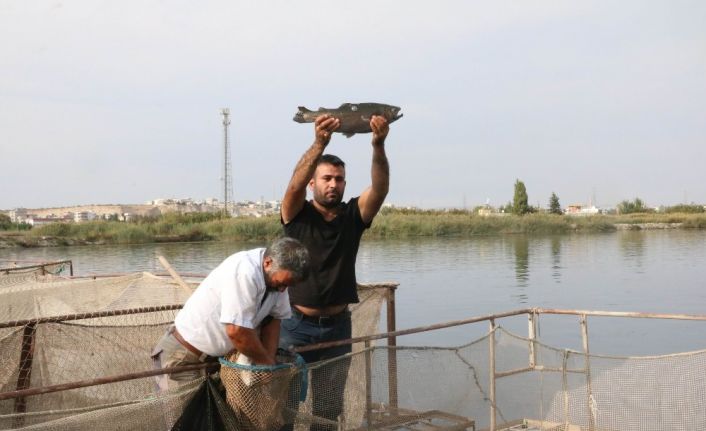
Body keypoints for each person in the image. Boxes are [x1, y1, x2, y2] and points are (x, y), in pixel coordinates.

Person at [279, 114, 391, 429]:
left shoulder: (353, 214)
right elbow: (293, 184)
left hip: (339, 327)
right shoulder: (296, 214)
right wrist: (318, 143)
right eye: (327, 178)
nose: (333, 184)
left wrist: (378, 146)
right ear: (313, 183)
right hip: (295, 327)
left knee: (328, 411)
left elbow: (380, 189)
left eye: (339, 179)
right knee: (285, 405)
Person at [151, 236, 310, 392]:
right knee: (186, 417)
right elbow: (237, 331)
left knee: (214, 416)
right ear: (268, 263)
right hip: (183, 358)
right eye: (281, 284)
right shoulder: (244, 271)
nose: (283, 290)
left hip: (216, 361)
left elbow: (274, 320)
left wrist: (268, 362)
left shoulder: (277, 280)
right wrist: (266, 363)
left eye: (288, 285)